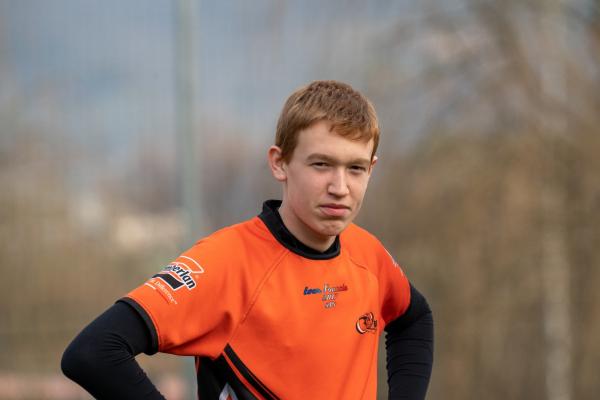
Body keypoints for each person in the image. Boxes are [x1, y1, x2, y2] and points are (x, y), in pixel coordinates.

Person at [62, 80, 434, 399]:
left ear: (371, 169)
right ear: (279, 163)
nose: (340, 187)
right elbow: (94, 352)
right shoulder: (226, 261)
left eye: (355, 168)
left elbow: (414, 319)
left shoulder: (368, 254)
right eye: (321, 164)